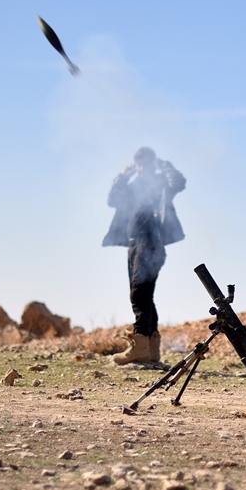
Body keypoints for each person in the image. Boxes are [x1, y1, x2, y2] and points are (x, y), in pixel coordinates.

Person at [102, 147, 186, 365]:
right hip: (134, 245)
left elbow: (179, 182)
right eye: (138, 163)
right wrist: (123, 176)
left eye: (146, 163)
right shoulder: (132, 188)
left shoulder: (161, 185)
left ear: (153, 163)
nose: (142, 167)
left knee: (139, 293)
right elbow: (112, 200)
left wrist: (164, 166)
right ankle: (150, 348)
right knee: (144, 295)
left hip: (151, 245)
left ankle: (140, 345)